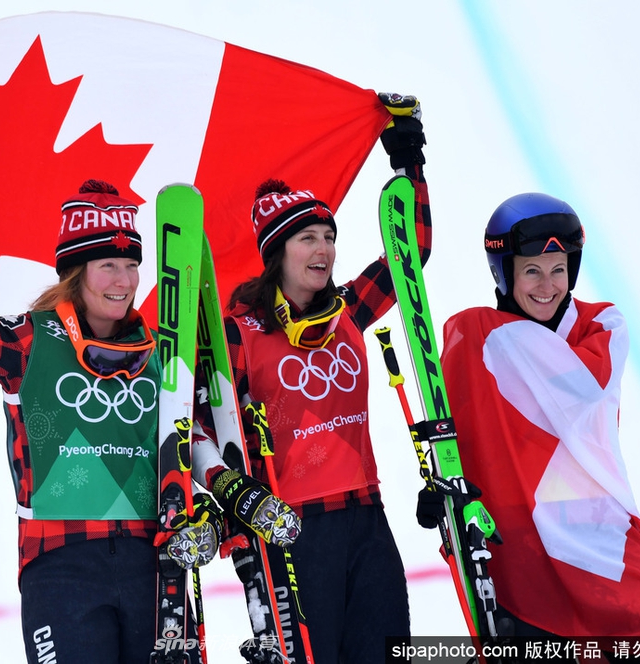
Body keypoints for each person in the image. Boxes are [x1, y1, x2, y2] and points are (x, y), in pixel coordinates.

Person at [0, 176, 221, 664]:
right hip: (61, 567)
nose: (124, 280)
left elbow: (188, 438)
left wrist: (221, 498)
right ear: (76, 271)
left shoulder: (161, 350)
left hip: (153, 566)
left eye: (132, 265)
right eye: (108, 265)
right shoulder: (28, 342)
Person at [191, 93, 429, 664]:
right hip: (291, 532)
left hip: (367, 521)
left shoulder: (346, 311)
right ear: (278, 253)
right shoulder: (239, 333)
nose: (324, 249)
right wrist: (230, 491)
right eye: (308, 238)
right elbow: (194, 431)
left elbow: (410, 248)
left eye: (329, 236)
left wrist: (407, 160)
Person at [439, 193, 640, 647]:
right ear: (504, 272)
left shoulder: (601, 327)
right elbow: (462, 433)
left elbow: (582, 387)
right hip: (518, 544)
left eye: (559, 269)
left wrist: (495, 336)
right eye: (531, 270)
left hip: (600, 535)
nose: (547, 285)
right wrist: (445, 492)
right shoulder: (472, 340)